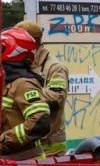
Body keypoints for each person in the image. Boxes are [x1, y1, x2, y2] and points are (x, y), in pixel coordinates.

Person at [0, 26, 52, 161]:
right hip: (8, 164)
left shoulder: (23, 84)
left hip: (27, 165)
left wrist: (5, 141)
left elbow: (40, 121)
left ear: (12, 51)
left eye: (0, 49)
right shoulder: (7, 83)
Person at [16, 19, 70, 157]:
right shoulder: (25, 64)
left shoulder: (54, 67)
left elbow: (57, 97)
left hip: (51, 146)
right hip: (31, 145)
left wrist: (25, 94)